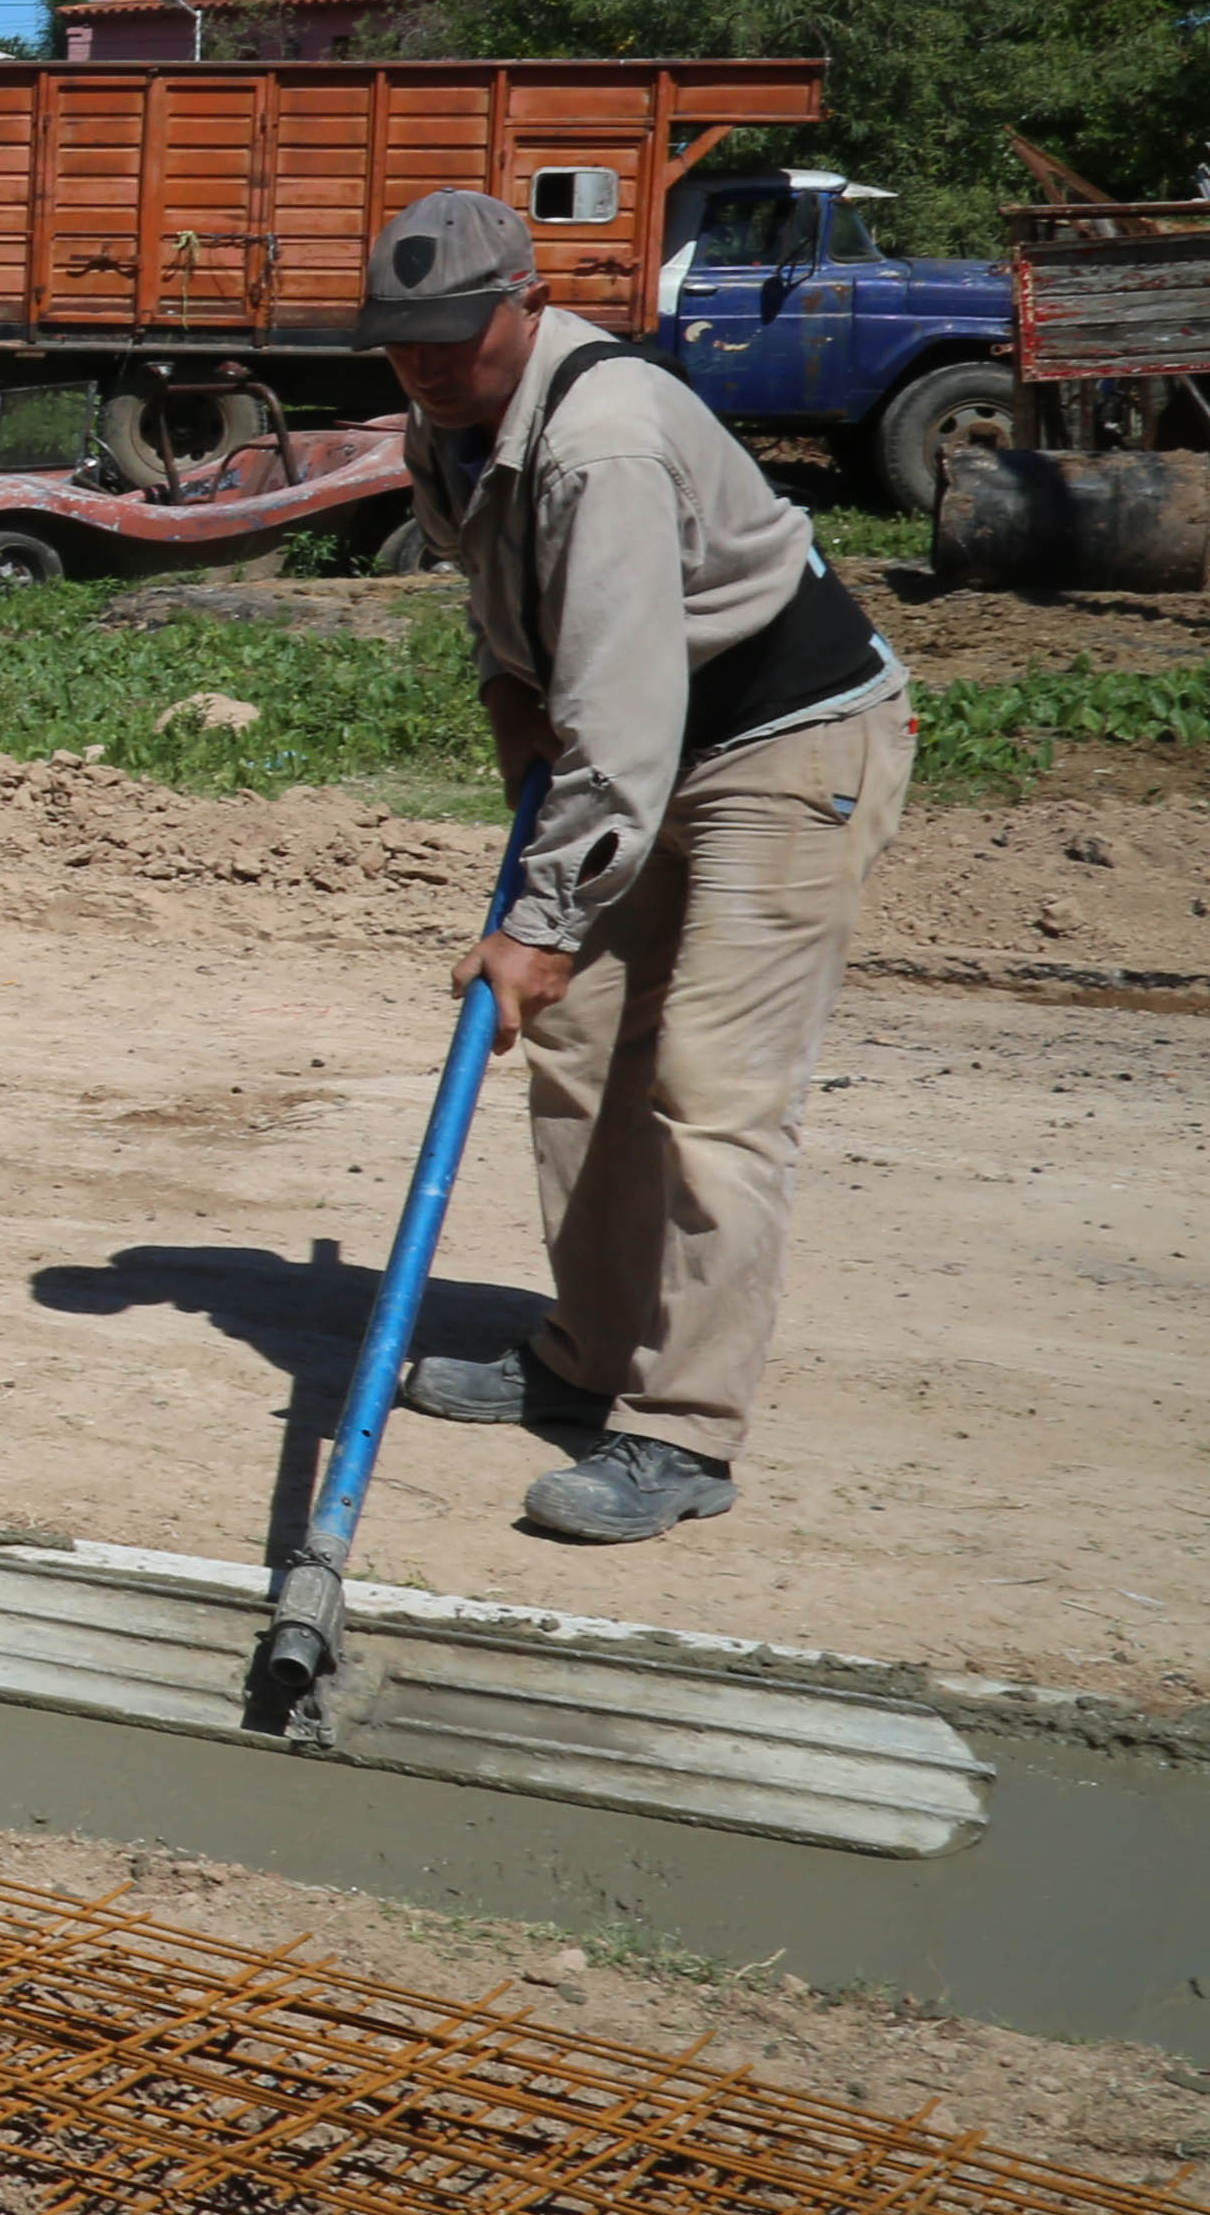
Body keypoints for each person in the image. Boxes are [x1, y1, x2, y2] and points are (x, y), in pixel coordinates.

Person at [359, 188, 915, 1544]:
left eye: (454, 336)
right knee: (583, 1046)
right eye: (403, 341)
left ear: (527, 304)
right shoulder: (447, 432)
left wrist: (545, 917)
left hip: (781, 747)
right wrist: (516, 751)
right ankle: (589, 1351)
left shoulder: (598, 438)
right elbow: (519, 639)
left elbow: (616, 705)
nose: (429, 364)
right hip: (639, 749)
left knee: (710, 1085)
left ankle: (683, 1432)